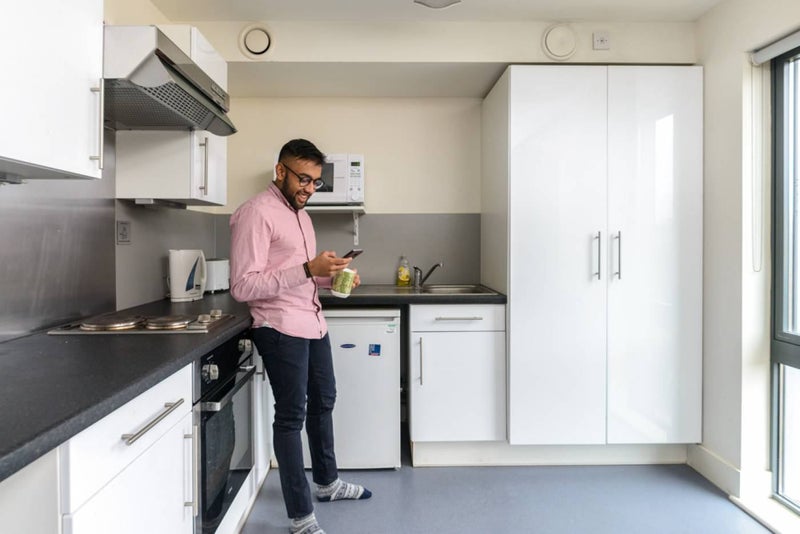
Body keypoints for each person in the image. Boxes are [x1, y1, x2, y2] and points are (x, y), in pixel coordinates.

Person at [229, 139, 371, 534]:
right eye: (303, 179)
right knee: (291, 417)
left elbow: (298, 275)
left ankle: (327, 483)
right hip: (279, 328)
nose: (309, 188)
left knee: (324, 401)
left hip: (312, 323)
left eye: (315, 182)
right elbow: (243, 285)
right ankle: (300, 516)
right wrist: (309, 268)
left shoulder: (302, 216)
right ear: (280, 171)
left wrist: (332, 277)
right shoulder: (255, 213)